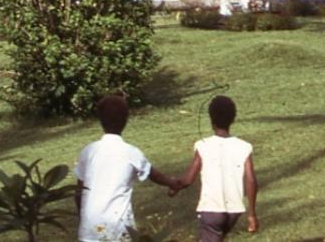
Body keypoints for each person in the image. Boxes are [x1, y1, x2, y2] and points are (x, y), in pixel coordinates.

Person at [76, 94, 186, 242]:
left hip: (90, 227)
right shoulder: (131, 152)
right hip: (119, 226)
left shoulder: (88, 151)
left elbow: (78, 191)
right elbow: (154, 175)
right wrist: (172, 183)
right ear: (126, 120)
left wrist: (83, 216)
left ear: (100, 120)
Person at [169, 95, 259, 241]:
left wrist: (174, 185)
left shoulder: (203, 145)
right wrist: (252, 215)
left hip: (211, 210)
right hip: (234, 211)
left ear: (211, 120)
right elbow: (251, 181)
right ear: (233, 118)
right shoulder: (244, 147)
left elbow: (188, 179)